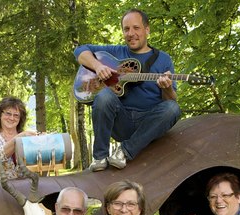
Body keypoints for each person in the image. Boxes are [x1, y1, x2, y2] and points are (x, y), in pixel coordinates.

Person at [74, 9, 181, 172]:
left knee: (173, 108)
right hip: (120, 120)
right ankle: (100, 157)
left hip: (148, 123)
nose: (131, 33)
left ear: (147, 30)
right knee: (103, 96)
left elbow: (170, 101)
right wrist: (98, 66)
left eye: (136, 28)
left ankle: (124, 151)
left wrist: (166, 88)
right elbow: (80, 51)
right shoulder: (115, 52)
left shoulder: (163, 59)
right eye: (126, 29)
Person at [0, 97, 37, 182]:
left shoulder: (27, 139)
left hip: (20, 192)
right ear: (0, 115)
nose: (12, 118)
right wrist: (18, 138)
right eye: (8, 113)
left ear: (20, 118)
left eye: (16, 115)